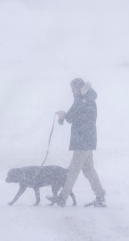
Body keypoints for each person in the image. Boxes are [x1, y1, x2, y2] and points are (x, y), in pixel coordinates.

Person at [48, 78, 106, 207]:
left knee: (73, 170)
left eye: (73, 88)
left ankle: (62, 198)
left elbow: (86, 118)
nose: (72, 90)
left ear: (79, 88)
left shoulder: (87, 100)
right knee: (88, 169)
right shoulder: (81, 99)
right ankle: (100, 196)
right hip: (85, 139)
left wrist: (66, 116)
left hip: (83, 140)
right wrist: (64, 115)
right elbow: (72, 117)